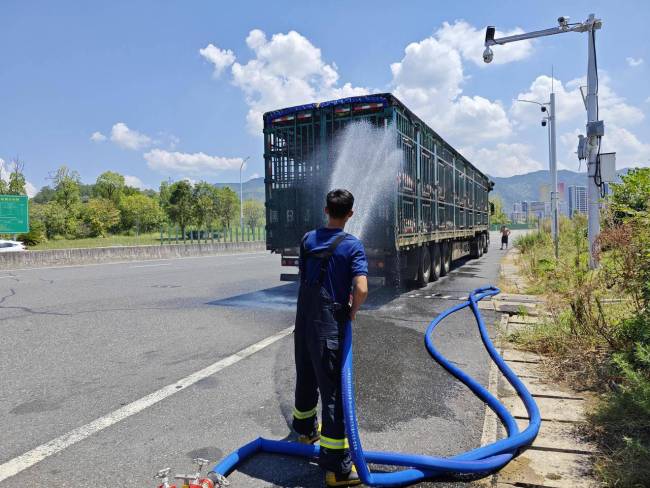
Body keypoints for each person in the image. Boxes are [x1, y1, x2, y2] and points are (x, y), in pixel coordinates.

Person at [292, 188, 369, 487]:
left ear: (326, 210)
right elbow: (361, 289)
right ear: (350, 214)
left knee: (306, 377)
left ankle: (305, 430)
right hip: (328, 327)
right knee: (333, 393)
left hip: (303, 322)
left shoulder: (307, 239)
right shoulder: (352, 245)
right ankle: (336, 469)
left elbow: (305, 278)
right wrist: (351, 312)